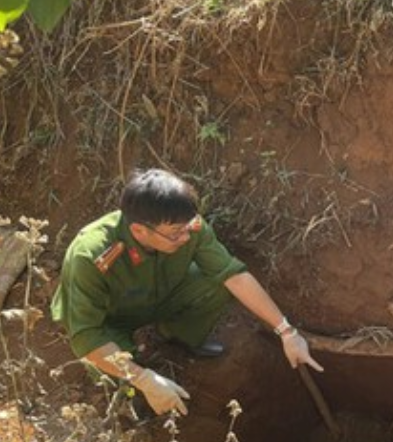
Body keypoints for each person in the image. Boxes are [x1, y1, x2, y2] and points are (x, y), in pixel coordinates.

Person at [51, 168, 324, 416]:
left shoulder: (186, 226)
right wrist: (144, 378)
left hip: (160, 296)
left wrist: (287, 332)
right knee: (121, 375)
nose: (185, 238)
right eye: (175, 234)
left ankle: (177, 336)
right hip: (109, 321)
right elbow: (86, 336)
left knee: (215, 282)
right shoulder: (91, 255)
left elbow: (233, 275)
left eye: (187, 228)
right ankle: (135, 389)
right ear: (139, 230)